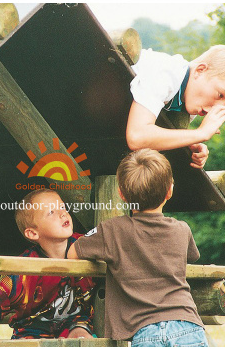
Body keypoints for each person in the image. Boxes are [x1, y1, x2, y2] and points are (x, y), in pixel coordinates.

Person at [67, 148, 208, 347]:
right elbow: (191, 255)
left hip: (145, 330)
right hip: (188, 324)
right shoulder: (181, 229)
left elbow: (72, 254)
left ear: (121, 194)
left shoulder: (112, 230)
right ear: (170, 191)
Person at [0, 189, 96, 340]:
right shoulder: (26, 266)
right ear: (33, 233)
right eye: (51, 212)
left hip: (74, 323)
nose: (62, 213)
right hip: (32, 329)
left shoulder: (85, 245)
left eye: (62, 207)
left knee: (81, 337)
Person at [126, 45, 225, 169]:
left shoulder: (190, 100)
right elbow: (137, 136)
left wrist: (190, 142)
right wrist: (200, 133)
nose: (215, 109)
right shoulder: (167, 73)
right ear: (200, 70)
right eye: (220, 94)